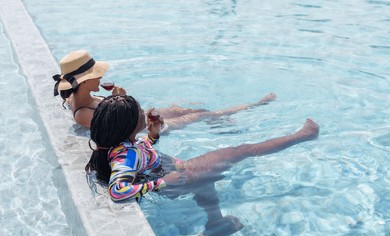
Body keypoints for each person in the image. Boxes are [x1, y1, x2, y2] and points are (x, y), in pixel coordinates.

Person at [86, 95, 320, 236]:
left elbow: (141, 155)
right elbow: (117, 191)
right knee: (243, 151)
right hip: (178, 175)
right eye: (139, 112)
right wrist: (162, 183)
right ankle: (303, 136)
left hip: (173, 169)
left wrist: (153, 135)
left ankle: (216, 223)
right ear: (127, 125)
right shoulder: (124, 157)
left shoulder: (119, 146)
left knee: (207, 182)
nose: (143, 112)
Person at [53, 50, 277, 129]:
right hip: (145, 127)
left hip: (144, 117)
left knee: (192, 108)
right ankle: (256, 105)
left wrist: (117, 100)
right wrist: (121, 100)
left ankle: (215, 122)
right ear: (83, 81)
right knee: (204, 114)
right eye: (95, 74)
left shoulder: (79, 96)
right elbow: (124, 129)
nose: (101, 76)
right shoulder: (83, 114)